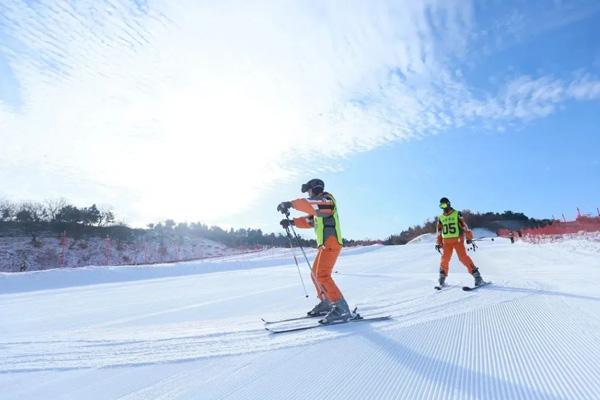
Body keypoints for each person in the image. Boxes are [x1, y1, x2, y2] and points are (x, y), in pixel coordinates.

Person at [277, 178, 352, 324]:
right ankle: (327, 302)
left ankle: (341, 308)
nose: (309, 194)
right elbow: (309, 221)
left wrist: (291, 204)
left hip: (331, 243)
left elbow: (312, 206)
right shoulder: (319, 209)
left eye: (308, 191)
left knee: (322, 275)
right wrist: (291, 222)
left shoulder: (327, 201)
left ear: (314, 189)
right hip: (325, 245)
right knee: (315, 275)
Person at [435, 197, 485, 287]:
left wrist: (469, 237)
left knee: (463, 258)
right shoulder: (440, 217)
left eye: (444, 205)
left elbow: (464, 226)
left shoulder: (457, 214)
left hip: (457, 240)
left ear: (449, 203)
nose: (443, 207)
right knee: (444, 259)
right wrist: (438, 242)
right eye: (441, 206)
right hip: (446, 242)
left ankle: (477, 277)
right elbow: (439, 231)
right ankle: (442, 278)